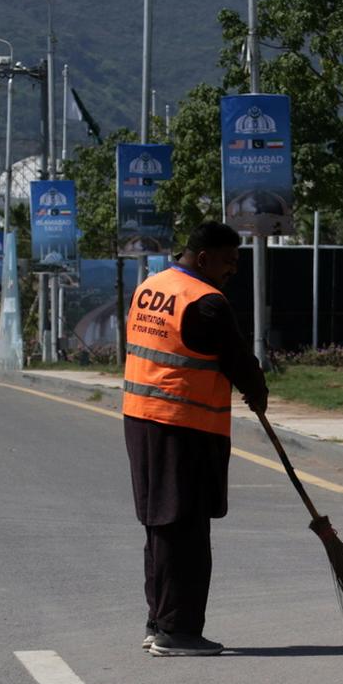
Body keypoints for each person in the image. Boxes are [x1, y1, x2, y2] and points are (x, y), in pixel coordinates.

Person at [123, 221, 267, 657]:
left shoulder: (151, 286)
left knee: (160, 524)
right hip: (183, 424)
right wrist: (257, 391)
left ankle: (158, 622)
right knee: (185, 528)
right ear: (204, 259)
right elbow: (238, 359)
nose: (233, 270)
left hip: (141, 418)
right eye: (229, 261)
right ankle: (178, 631)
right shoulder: (206, 301)